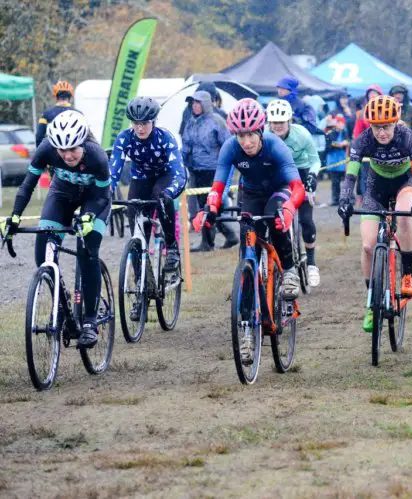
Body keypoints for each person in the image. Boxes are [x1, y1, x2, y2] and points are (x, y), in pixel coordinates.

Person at [192, 98, 304, 361]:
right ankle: (246, 329)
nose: (246, 142)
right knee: (247, 254)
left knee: (276, 222)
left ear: (260, 131)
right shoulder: (230, 148)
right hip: (251, 194)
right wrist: (209, 209)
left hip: (279, 191)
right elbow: (218, 186)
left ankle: (288, 271)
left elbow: (297, 188)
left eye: (251, 134)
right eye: (241, 135)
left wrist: (289, 208)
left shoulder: (275, 146)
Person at [2, 111, 111, 347]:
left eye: (73, 149)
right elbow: (27, 186)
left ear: (82, 142)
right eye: (62, 151)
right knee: (42, 255)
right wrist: (15, 218)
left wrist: (89, 217)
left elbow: (103, 196)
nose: (68, 155)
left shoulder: (98, 157)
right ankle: (62, 306)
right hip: (61, 195)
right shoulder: (45, 149)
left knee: (87, 250)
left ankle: (90, 322)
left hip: (94, 201)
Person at [337, 95, 412, 333]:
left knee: (405, 213)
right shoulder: (362, 141)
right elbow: (351, 175)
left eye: (386, 127)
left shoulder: (408, 138)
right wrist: (345, 199)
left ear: (395, 123)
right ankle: (371, 302)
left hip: (405, 183)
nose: (382, 133)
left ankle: (407, 274)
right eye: (377, 128)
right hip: (375, 187)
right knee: (368, 246)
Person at [109, 97, 186, 274]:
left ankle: (172, 247)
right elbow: (113, 172)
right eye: (136, 123)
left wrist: (170, 193)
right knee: (137, 230)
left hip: (165, 176)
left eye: (144, 123)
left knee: (161, 197)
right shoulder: (124, 138)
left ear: (153, 121)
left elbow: (179, 173)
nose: (140, 128)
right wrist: (108, 190)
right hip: (141, 179)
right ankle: (141, 283)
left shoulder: (165, 137)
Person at [266, 99, 322, 287]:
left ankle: (312, 264)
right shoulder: (265, 135)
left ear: (289, 121)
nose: (278, 126)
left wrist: (313, 176)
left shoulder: (302, 134)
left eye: (281, 122)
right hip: (278, 174)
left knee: (306, 219)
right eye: (274, 122)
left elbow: (316, 160)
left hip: (301, 172)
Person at [181, 89, 237, 252]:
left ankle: (208, 242)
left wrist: (227, 167)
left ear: (205, 104)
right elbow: (186, 145)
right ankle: (228, 236)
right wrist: (180, 161)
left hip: (214, 170)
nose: (194, 106)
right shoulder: (190, 122)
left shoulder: (217, 121)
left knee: (209, 206)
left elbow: (228, 144)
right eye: (193, 103)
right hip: (196, 170)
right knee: (206, 207)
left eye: (197, 102)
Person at [36, 80, 76, 146]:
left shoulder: (47, 114)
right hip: (72, 150)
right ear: (70, 97)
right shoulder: (78, 114)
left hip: (52, 150)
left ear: (56, 97)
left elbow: (39, 136)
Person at [325, 115, 349, 206]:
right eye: (340, 123)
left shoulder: (344, 132)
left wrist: (343, 143)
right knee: (335, 182)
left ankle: (348, 199)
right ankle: (335, 199)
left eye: (343, 123)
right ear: (337, 123)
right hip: (333, 161)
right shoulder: (330, 133)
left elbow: (347, 142)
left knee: (347, 181)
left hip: (342, 161)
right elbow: (330, 145)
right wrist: (340, 144)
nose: (342, 125)